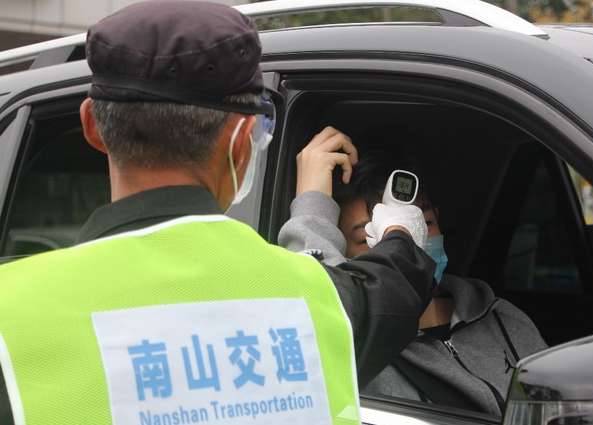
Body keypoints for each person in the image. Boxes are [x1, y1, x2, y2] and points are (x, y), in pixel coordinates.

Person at [0, 3, 436, 424]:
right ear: (244, 140)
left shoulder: (11, 315)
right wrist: (399, 226)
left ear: (92, 126)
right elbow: (399, 277)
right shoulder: (323, 303)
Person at [279, 130, 548, 416]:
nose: (410, 246)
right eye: (372, 236)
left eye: (421, 223)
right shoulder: (361, 352)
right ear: (341, 254)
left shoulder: (502, 318)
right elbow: (314, 320)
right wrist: (312, 207)